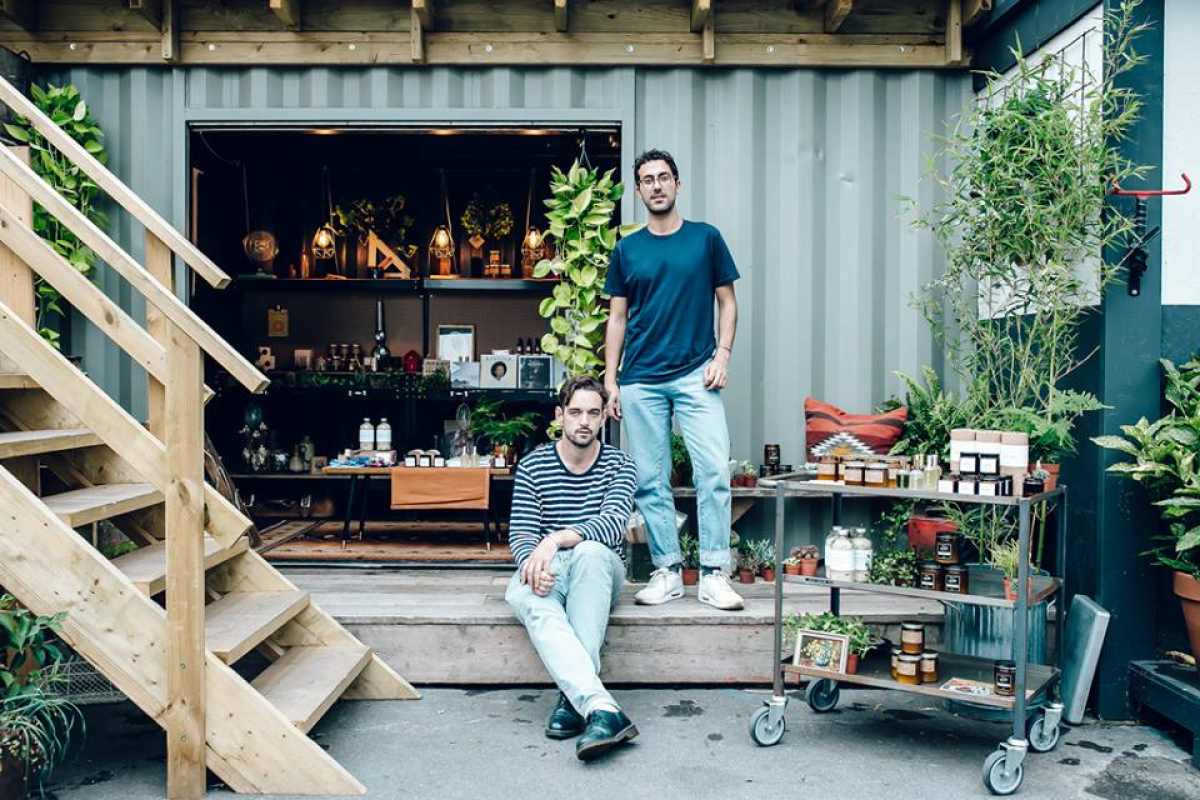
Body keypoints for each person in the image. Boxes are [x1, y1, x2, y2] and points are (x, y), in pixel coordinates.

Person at [603, 148, 744, 611]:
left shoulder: (706, 240)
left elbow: (727, 302)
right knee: (650, 480)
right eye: (647, 179)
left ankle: (713, 574)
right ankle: (667, 571)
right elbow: (618, 318)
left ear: (677, 185)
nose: (657, 185)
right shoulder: (627, 250)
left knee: (712, 473)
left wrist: (722, 354)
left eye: (664, 177)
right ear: (639, 191)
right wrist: (611, 380)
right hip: (641, 378)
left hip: (695, 376)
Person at [505, 375, 640, 761]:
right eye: (576, 412)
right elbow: (522, 534)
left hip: (599, 567)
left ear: (603, 419)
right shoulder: (533, 466)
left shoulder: (619, 464)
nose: (584, 421)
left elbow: (613, 523)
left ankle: (573, 695)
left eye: (593, 414)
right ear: (560, 415)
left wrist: (556, 539)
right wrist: (534, 564)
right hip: (552, 566)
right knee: (526, 594)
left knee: (591, 553)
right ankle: (595, 706)